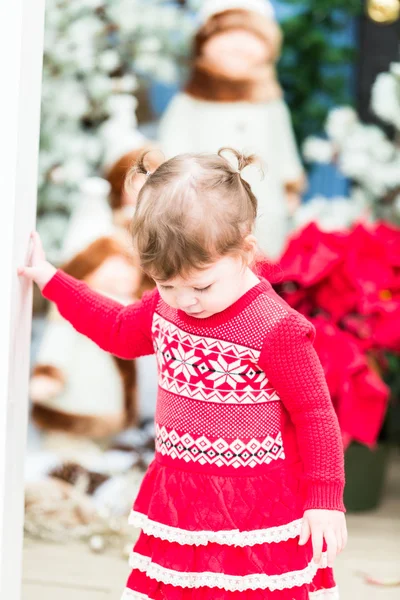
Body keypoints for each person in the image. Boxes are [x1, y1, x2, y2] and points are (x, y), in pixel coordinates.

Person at [19, 148, 347, 599]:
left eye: (201, 285)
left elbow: (315, 415)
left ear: (245, 249)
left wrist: (325, 500)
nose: (184, 300)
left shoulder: (275, 328)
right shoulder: (165, 309)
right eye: (165, 284)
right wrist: (52, 280)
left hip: (255, 511)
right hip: (181, 501)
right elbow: (117, 329)